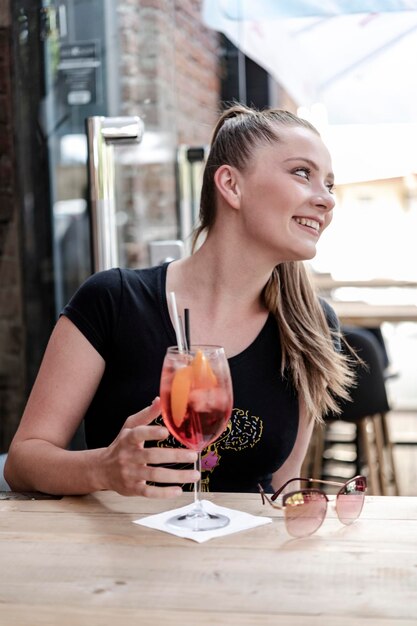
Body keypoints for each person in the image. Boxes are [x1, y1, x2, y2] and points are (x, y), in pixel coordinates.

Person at [5, 104, 354, 497]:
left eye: (329, 183)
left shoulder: (311, 325)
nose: (326, 199)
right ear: (232, 185)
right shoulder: (114, 301)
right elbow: (24, 461)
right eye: (302, 173)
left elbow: (280, 490)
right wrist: (102, 469)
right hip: (122, 551)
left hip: (242, 553)